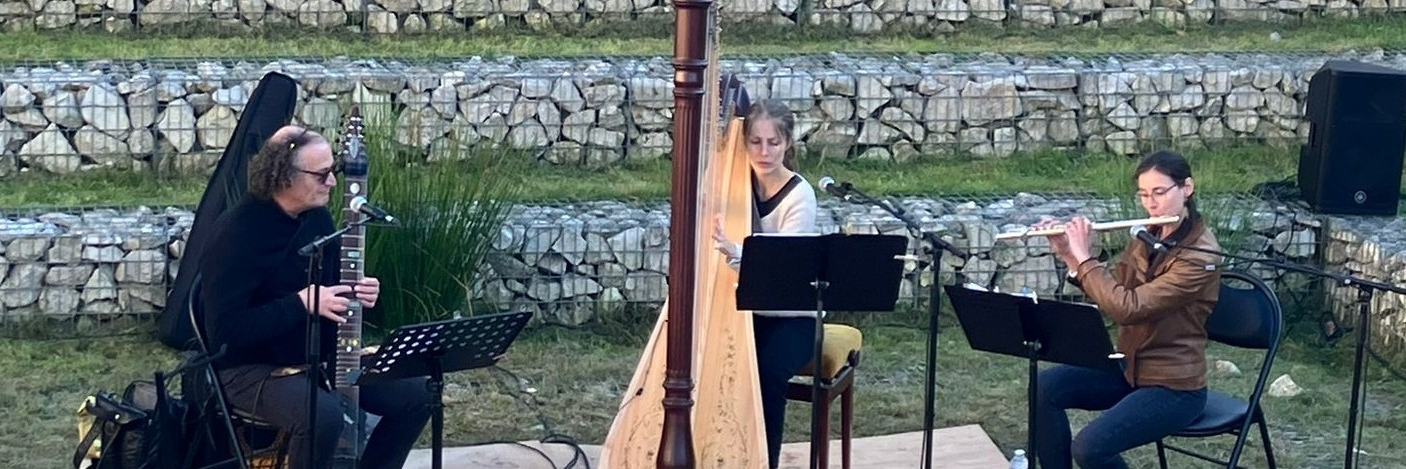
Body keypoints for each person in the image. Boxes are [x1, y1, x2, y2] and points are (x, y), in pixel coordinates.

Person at [198, 125, 431, 469]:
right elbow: (226, 333)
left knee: (417, 395)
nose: (332, 183)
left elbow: (333, 287)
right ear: (283, 175)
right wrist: (301, 304)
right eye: (322, 175)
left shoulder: (317, 218)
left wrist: (361, 291)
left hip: (321, 356)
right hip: (250, 369)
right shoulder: (235, 235)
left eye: (333, 171)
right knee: (322, 417)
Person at [1033, 150, 1222, 469]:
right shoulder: (1148, 234)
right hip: (1130, 367)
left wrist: (1084, 259)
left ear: (1186, 188)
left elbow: (1127, 309)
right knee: (1044, 387)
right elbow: (1114, 292)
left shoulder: (1200, 254)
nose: (1150, 204)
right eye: (1144, 194)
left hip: (1174, 385)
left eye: (1159, 192)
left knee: (1089, 448)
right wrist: (1069, 254)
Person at [711, 99, 819, 469]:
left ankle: (763, 462)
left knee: (766, 372)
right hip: (746, 309)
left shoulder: (800, 196)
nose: (764, 151)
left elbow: (781, 273)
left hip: (791, 317)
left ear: (788, 143)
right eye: (755, 142)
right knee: (711, 362)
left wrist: (736, 253)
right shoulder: (735, 183)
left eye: (773, 142)